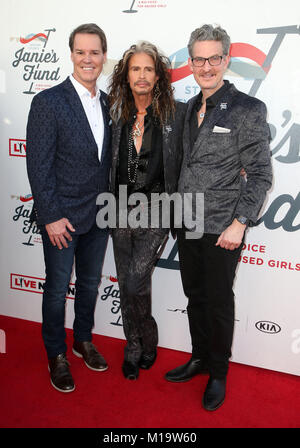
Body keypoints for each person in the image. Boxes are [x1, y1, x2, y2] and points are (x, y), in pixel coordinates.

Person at [165, 24, 273, 410]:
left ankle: (218, 373)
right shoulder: (190, 106)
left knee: (218, 301)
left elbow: (260, 174)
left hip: (222, 227)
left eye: (214, 58)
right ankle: (198, 357)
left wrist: (240, 222)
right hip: (187, 221)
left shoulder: (247, 109)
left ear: (226, 60)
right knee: (194, 296)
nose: (206, 66)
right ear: (190, 62)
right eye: (199, 59)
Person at [26, 23, 111, 393]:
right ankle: (56, 354)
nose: (88, 59)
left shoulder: (108, 102)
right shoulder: (48, 102)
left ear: (104, 56)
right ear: (71, 54)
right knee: (58, 290)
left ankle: (82, 339)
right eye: (81, 52)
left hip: (99, 215)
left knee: (90, 284)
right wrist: (50, 216)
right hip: (61, 218)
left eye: (94, 52)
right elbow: (38, 165)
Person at [107, 42, 186, 380]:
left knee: (137, 279)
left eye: (148, 69)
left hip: (156, 210)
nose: (141, 75)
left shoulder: (175, 114)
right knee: (127, 283)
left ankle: (148, 340)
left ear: (158, 77)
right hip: (117, 208)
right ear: (127, 75)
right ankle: (134, 347)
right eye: (135, 69)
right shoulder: (114, 113)